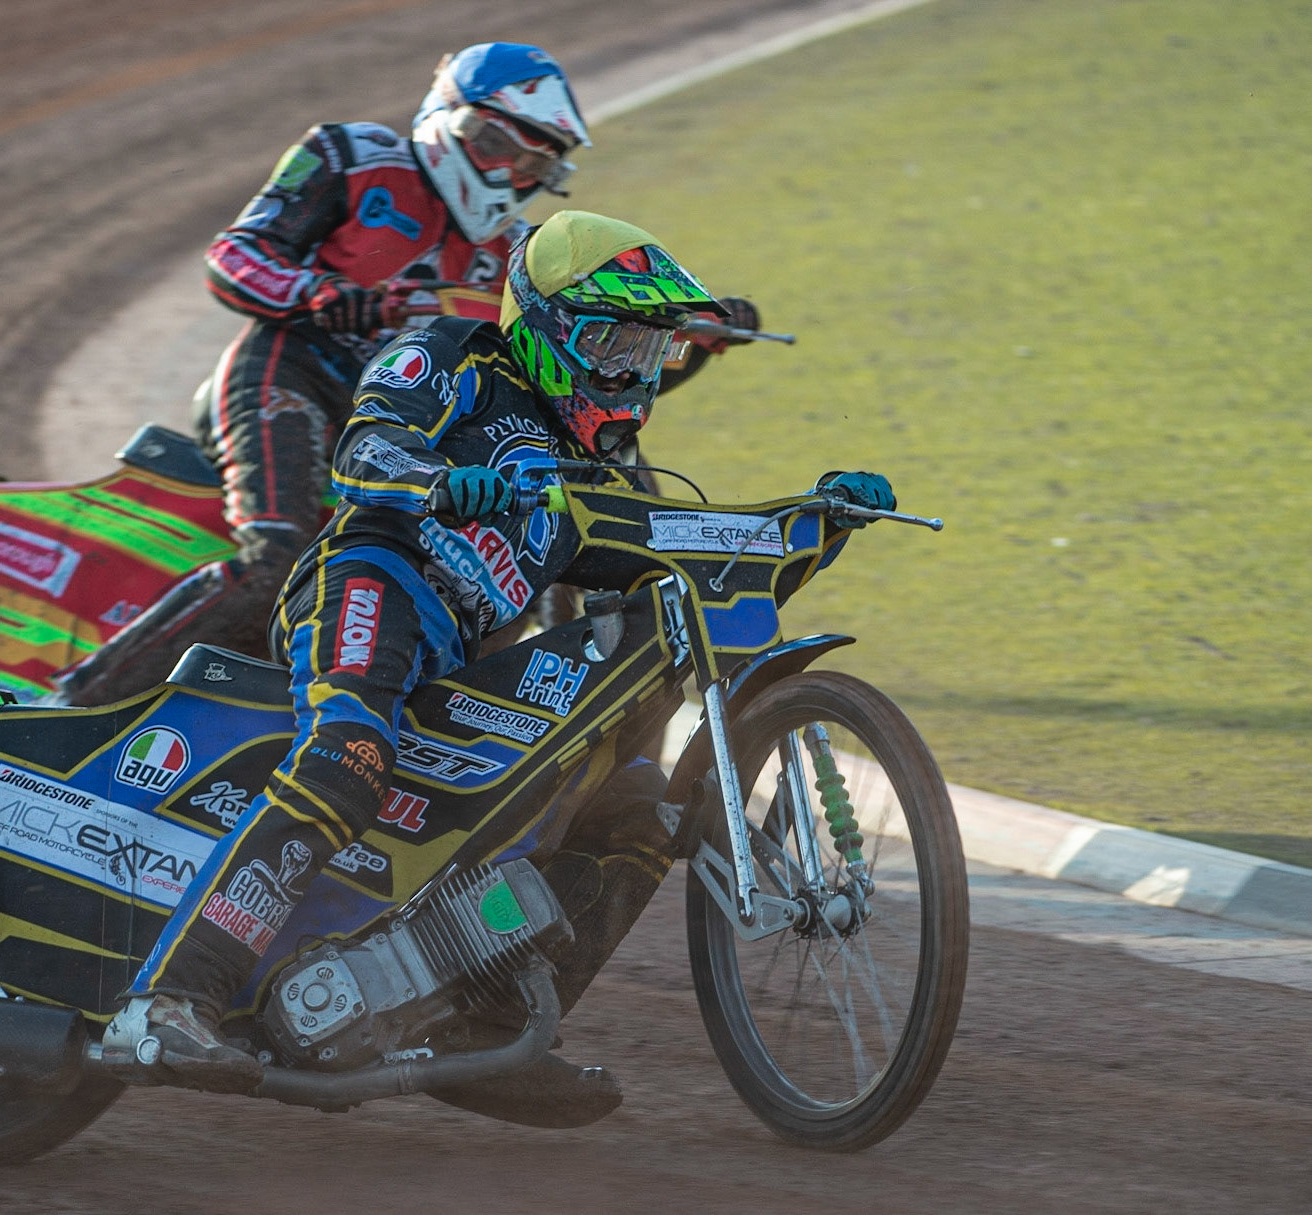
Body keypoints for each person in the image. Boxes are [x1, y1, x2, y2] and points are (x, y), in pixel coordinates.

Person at [101, 210, 896, 1108]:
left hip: (459, 658)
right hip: (369, 582)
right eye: (615, 342)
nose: (634, 373)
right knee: (350, 757)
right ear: (550, 325)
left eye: (650, 350)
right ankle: (168, 998)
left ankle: (485, 1032)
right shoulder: (450, 353)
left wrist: (813, 522)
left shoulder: (593, 465)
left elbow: (689, 553)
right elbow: (362, 450)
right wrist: (439, 479)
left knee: (635, 806)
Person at [52, 42, 592, 707]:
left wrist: (660, 338)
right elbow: (235, 254)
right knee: (275, 553)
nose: (508, 174)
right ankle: (66, 703)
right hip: (292, 375)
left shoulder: (516, 254)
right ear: (448, 118)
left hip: (405, 429)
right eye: (493, 146)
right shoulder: (352, 157)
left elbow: (557, 368)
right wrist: (317, 293)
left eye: (533, 163)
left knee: (486, 573)